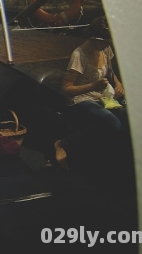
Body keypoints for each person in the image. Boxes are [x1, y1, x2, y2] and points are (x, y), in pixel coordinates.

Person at [54, 16, 126, 170]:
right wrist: (92, 86)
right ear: (94, 38)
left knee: (127, 118)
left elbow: (110, 71)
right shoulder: (79, 56)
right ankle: (63, 143)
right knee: (113, 123)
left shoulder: (105, 49)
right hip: (81, 99)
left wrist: (119, 84)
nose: (108, 45)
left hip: (100, 97)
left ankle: (112, 159)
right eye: (105, 41)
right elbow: (66, 89)